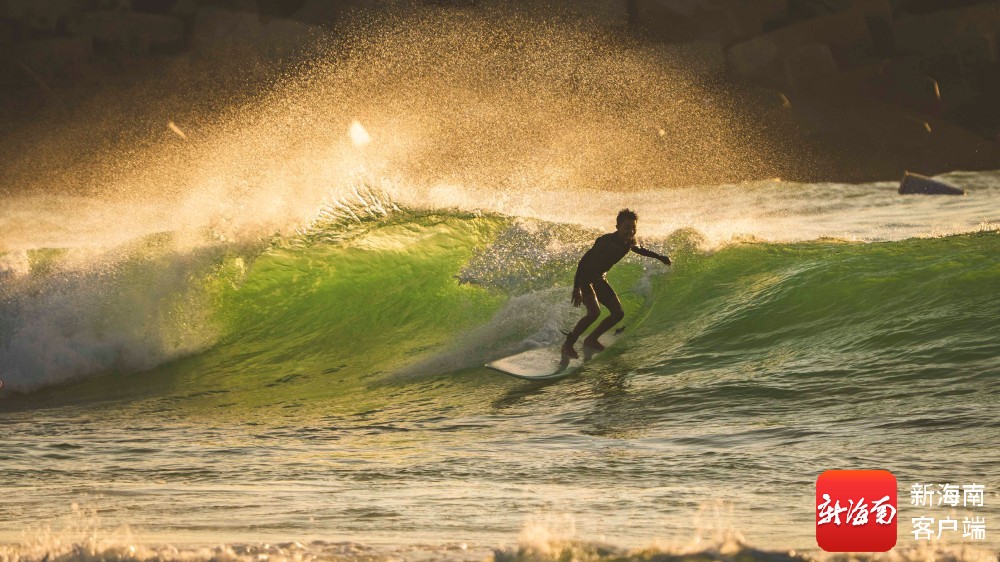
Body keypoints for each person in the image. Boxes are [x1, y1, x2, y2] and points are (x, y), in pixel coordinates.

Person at [562, 209, 671, 358]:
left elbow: (639, 249)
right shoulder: (605, 241)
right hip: (586, 278)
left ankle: (591, 339)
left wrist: (660, 257)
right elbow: (583, 262)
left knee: (618, 313)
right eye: (627, 227)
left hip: (600, 278)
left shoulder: (629, 241)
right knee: (594, 313)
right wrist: (577, 287)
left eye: (634, 228)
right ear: (618, 226)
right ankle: (568, 345)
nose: (631, 231)